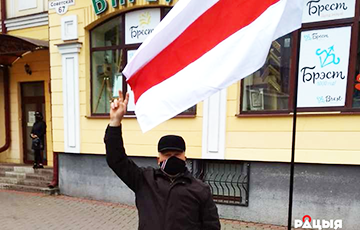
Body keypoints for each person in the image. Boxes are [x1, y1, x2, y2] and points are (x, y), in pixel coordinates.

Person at [104, 91, 220, 230]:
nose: (172, 158)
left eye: (176, 154)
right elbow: (116, 160)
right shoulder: (144, 180)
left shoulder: (200, 189)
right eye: (167, 154)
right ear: (158, 159)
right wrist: (115, 122)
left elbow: (211, 226)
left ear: (185, 158)